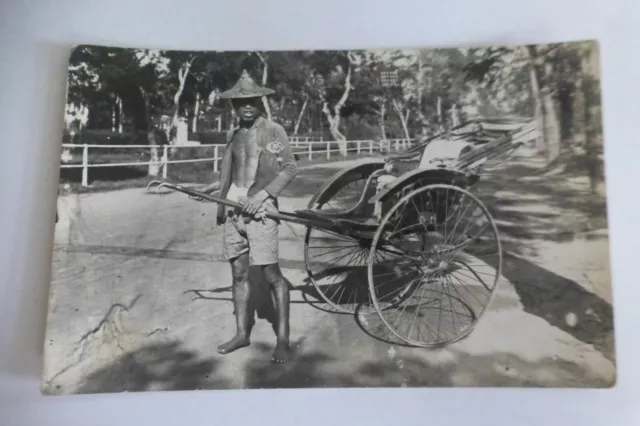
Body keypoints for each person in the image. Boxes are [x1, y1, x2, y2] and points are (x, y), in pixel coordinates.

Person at [198, 70, 298, 364]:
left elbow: (289, 168)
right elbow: (234, 174)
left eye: (252, 101)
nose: (247, 107)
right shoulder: (233, 135)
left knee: (271, 275)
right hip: (233, 211)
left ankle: (283, 340)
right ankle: (242, 334)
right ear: (233, 106)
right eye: (241, 103)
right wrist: (213, 190)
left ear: (260, 102)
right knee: (239, 273)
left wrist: (262, 197)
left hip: (261, 211)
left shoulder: (273, 132)